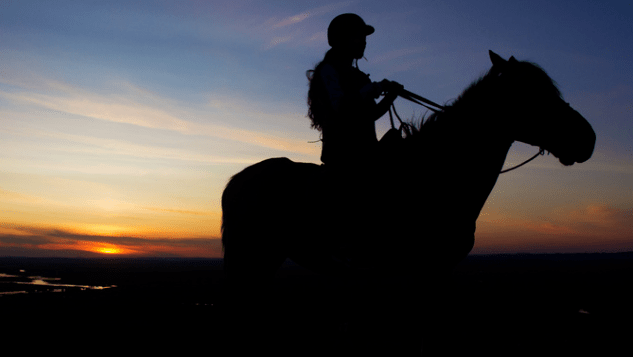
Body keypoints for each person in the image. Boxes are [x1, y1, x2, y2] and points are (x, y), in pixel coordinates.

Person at [306, 13, 404, 171]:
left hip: (368, 155)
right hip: (343, 159)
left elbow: (371, 114)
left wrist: (392, 95)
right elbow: (341, 108)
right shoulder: (328, 71)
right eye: (358, 37)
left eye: (364, 37)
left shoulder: (360, 77)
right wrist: (371, 89)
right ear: (342, 39)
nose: (364, 42)